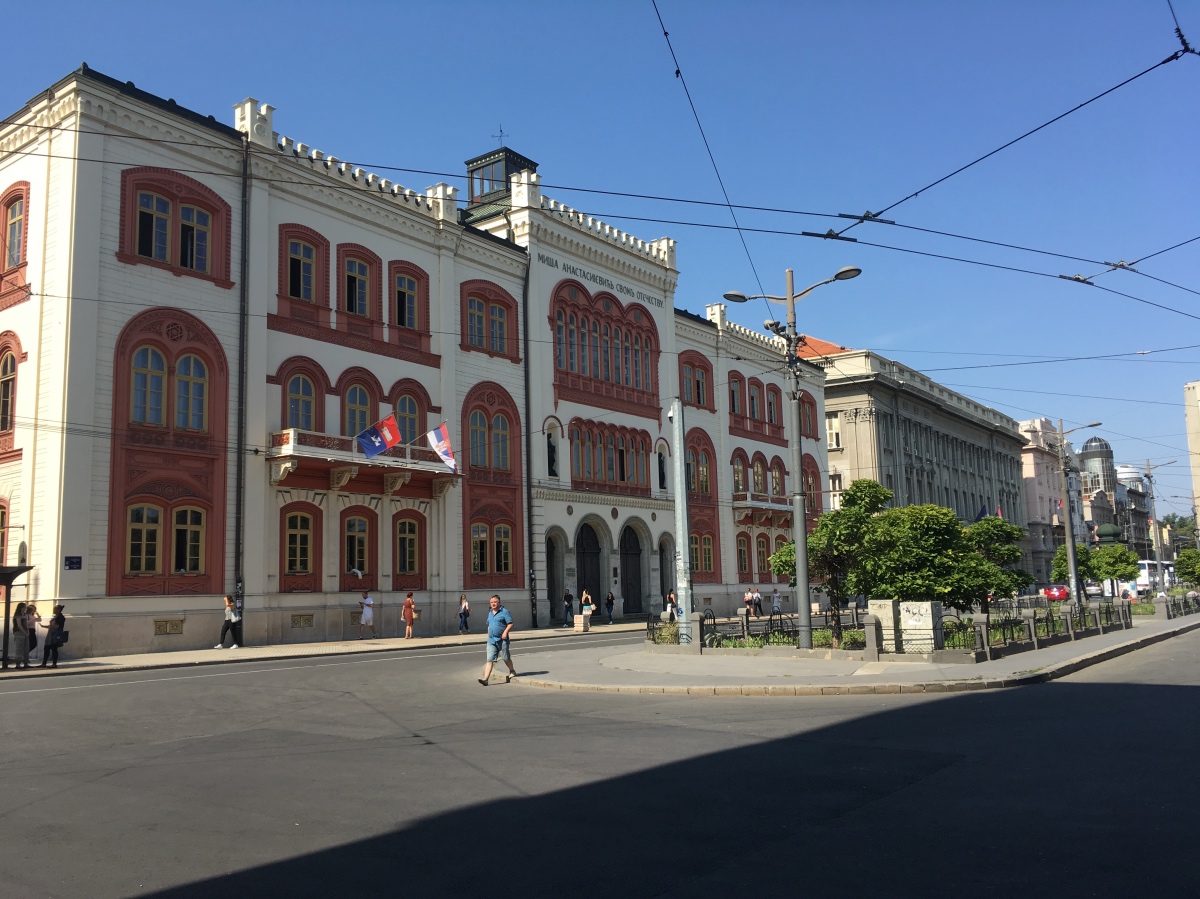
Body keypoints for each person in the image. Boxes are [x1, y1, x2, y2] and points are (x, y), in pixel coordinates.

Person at [478, 595, 516, 685]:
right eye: (491, 602)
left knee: (506, 658)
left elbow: (510, 624)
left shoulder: (504, 612)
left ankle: (512, 670)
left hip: (502, 640)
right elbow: (489, 624)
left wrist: (505, 632)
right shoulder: (490, 612)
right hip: (491, 640)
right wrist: (488, 634)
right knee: (489, 660)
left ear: (499, 602)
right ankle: (486, 679)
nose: (493, 604)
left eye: (495, 602)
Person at [39, 604, 66, 669]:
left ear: (59, 610)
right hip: (51, 634)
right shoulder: (56, 616)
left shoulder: (60, 617)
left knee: (54, 649)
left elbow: (58, 626)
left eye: (55, 609)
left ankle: (54, 663)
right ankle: (44, 663)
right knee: (47, 648)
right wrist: (43, 626)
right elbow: (51, 626)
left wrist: (54, 625)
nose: (54, 610)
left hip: (55, 635)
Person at [11, 602, 29, 669]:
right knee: (19, 649)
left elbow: (26, 624)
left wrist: (27, 632)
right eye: (24, 607)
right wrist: (24, 633)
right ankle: (18, 664)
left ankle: (25, 663)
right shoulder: (17, 614)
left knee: (26, 648)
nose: (25, 609)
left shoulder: (24, 614)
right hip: (19, 632)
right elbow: (19, 625)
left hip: (26, 632)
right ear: (20, 608)